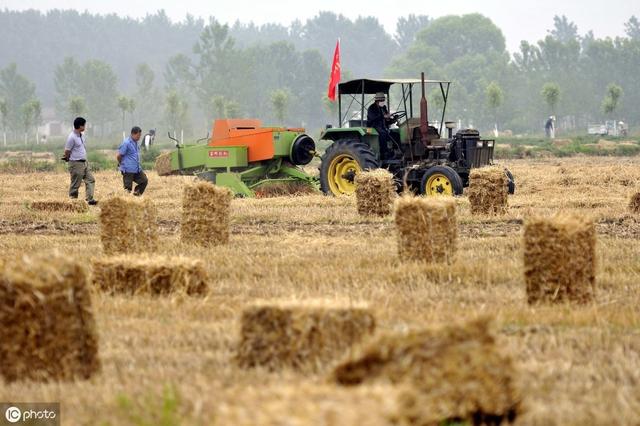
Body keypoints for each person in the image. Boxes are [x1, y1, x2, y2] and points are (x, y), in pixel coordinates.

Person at [63, 117, 97, 205]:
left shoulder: (81, 135)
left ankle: (89, 199)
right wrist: (67, 158)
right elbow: (67, 150)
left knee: (91, 179)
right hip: (76, 163)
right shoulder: (72, 137)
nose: (85, 126)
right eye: (84, 125)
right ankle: (73, 202)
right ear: (80, 126)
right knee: (76, 183)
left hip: (84, 162)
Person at [117, 126, 148, 196]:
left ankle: (136, 196)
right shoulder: (126, 143)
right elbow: (119, 156)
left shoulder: (136, 143)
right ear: (133, 134)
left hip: (137, 169)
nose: (139, 137)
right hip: (128, 170)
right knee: (128, 189)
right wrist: (121, 164)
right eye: (138, 135)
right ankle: (127, 202)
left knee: (144, 181)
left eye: (140, 135)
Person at [366, 92, 397, 160]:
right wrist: (384, 116)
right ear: (377, 100)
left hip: (383, 127)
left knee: (395, 134)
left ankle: (396, 151)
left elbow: (386, 119)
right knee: (383, 134)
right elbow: (373, 118)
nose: (382, 102)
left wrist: (392, 119)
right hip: (373, 127)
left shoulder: (383, 107)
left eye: (383, 100)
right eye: (381, 100)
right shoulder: (372, 108)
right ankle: (384, 153)